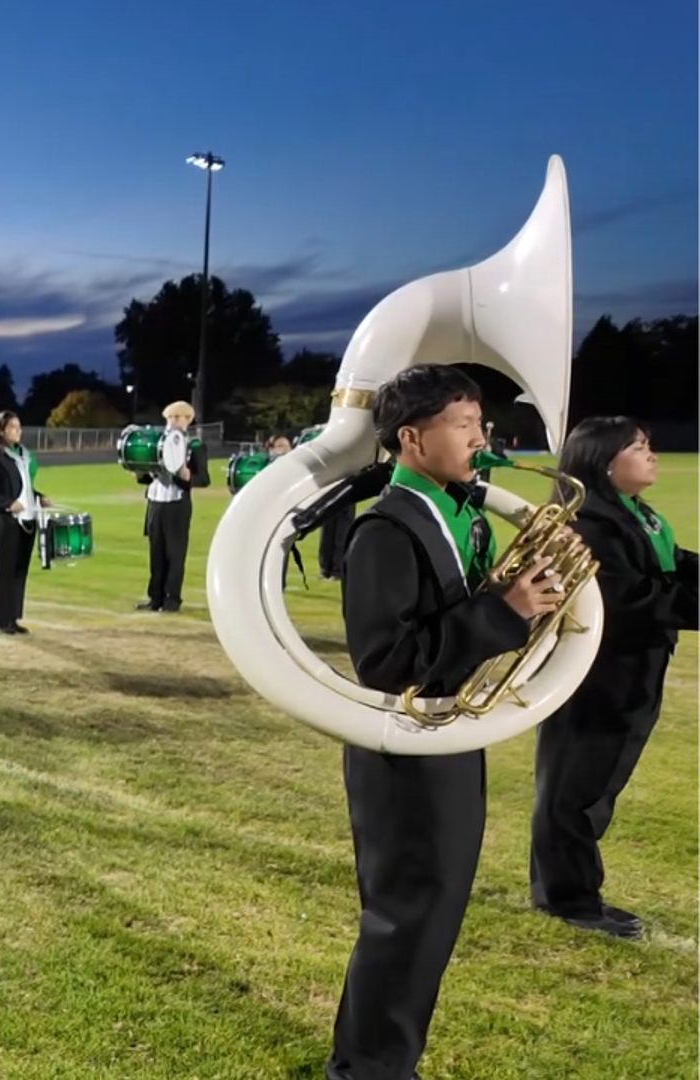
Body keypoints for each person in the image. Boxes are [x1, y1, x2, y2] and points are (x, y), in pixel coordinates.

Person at [325, 365, 570, 1080]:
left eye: (480, 424)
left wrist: (516, 600)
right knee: (405, 919)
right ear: (411, 438)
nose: (480, 439)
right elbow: (385, 661)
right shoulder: (384, 530)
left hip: (449, 738)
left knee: (431, 919)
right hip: (404, 748)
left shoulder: (456, 513)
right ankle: (367, 1069)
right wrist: (503, 612)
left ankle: (384, 1061)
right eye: (464, 425)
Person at [529, 417, 697, 939]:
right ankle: (568, 899)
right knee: (573, 789)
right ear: (604, 462)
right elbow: (629, 600)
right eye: (638, 447)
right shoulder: (587, 524)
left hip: (632, 671)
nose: (651, 454)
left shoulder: (634, 515)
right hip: (598, 675)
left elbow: (670, 566)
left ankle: (575, 891)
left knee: (595, 786)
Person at [0, 410, 49, 634]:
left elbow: (24, 487)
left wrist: (39, 496)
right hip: (6, 521)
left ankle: (12, 618)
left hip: (28, 519)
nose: (18, 431)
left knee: (19, 571)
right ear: (1, 431)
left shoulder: (23, 454)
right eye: (13, 427)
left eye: (19, 426)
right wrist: (7, 503)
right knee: (4, 570)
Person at [136, 400, 209, 612]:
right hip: (155, 503)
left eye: (178, 417)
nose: (173, 422)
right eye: (169, 418)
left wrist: (187, 476)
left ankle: (172, 600)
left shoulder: (195, 446)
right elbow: (149, 478)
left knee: (174, 555)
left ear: (189, 420)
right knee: (156, 553)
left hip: (177, 505)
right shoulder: (158, 445)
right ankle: (155, 598)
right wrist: (140, 472)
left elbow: (203, 479)